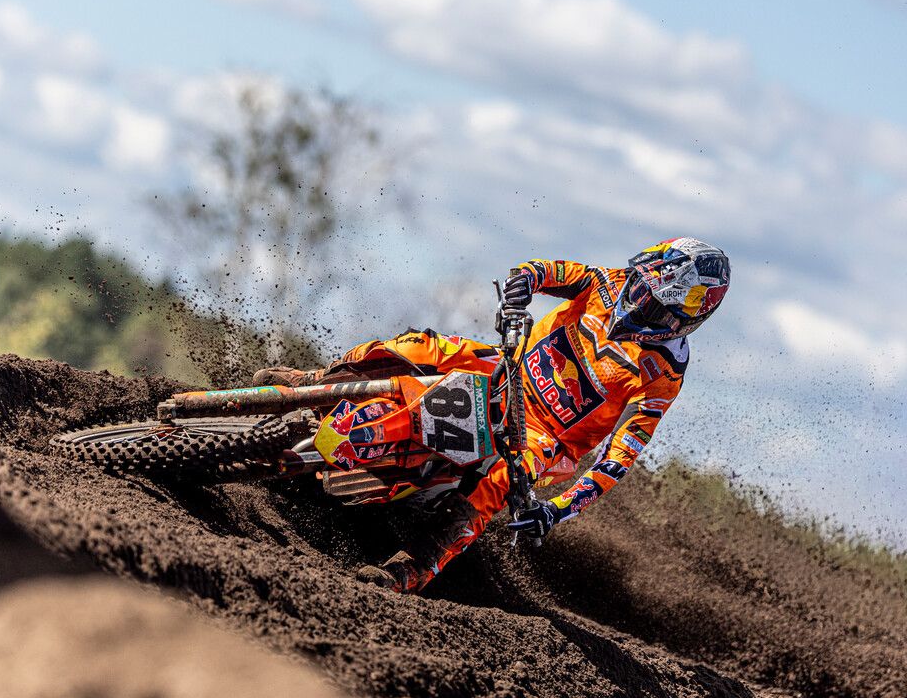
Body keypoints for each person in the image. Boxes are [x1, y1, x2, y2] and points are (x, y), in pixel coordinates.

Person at [254, 238, 730, 592]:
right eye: (642, 289)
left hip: (544, 438)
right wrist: (519, 292)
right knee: (421, 346)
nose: (639, 305)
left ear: (687, 319)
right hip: (505, 368)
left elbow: (618, 459)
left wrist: (556, 510)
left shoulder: (664, 374)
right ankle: (317, 382)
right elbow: (539, 270)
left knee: (497, 483)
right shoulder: (606, 281)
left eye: (658, 309)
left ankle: (411, 569)